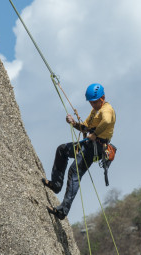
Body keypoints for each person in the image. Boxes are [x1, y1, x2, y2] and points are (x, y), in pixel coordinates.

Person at [43, 83, 116, 220]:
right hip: (88, 144)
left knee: (74, 171)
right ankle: (56, 184)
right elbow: (85, 128)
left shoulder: (107, 109)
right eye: (91, 102)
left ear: (103, 98)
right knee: (62, 150)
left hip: (96, 148)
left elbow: (106, 122)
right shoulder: (95, 111)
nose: (93, 105)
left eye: (94, 102)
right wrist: (73, 123)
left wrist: (95, 134)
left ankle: (63, 210)